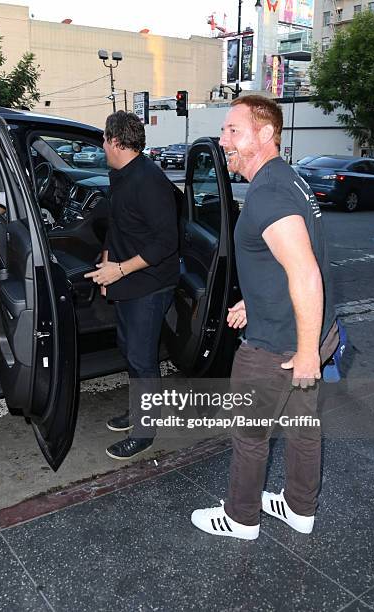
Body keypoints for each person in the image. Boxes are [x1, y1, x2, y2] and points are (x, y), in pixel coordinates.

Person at [191, 95, 338, 540]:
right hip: (308, 332)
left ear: (266, 134)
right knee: (302, 428)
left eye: (234, 131)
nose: (223, 141)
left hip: (279, 346)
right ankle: (299, 509)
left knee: (249, 437)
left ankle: (240, 517)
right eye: (223, 132)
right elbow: (289, 259)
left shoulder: (269, 192)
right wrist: (254, 300)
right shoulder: (286, 179)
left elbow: (305, 273)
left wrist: (307, 354)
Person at [84, 111, 179, 460]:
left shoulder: (149, 180)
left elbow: (164, 243)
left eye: (104, 140)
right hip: (126, 278)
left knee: (142, 359)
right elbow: (117, 225)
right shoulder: (120, 175)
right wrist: (108, 263)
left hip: (150, 284)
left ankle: (145, 431)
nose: (102, 147)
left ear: (115, 140)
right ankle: (139, 410)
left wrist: (119, 271)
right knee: (129, 350)